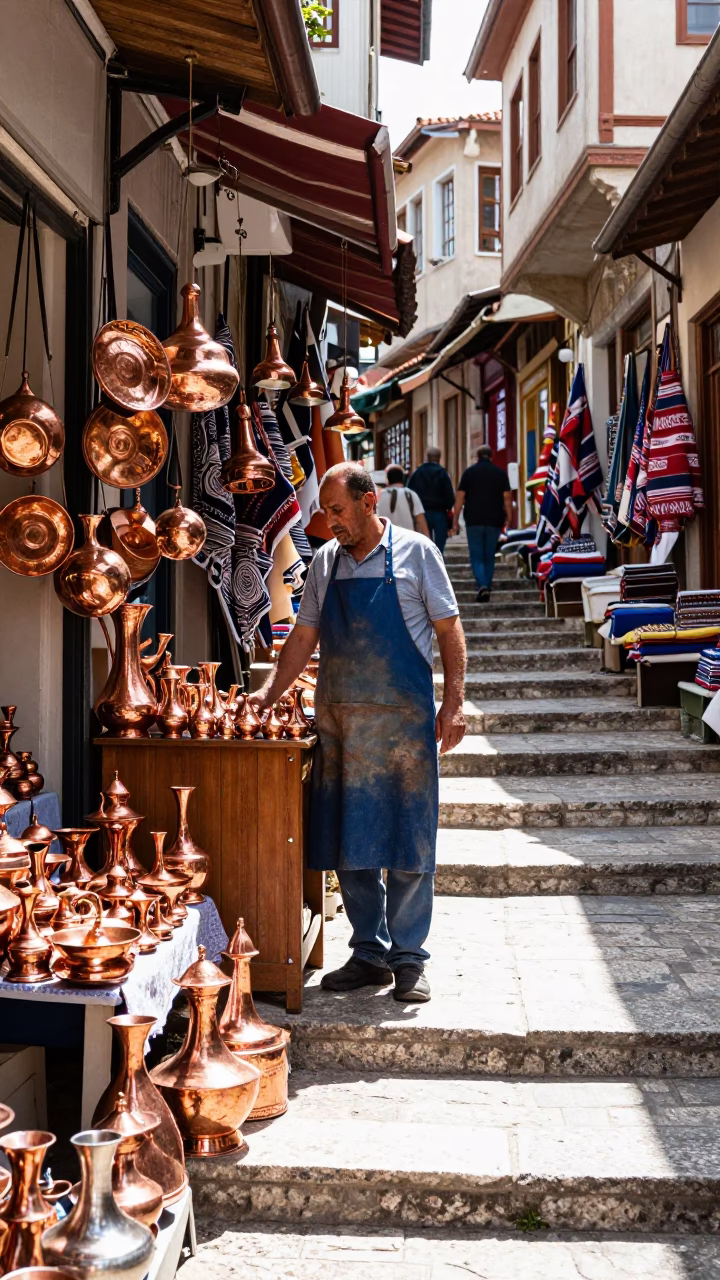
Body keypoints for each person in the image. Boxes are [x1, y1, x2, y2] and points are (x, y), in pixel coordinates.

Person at [251, 462, 467, 1004]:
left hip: (402, 730)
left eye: (338, 511)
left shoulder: (419, 553)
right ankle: (369, 954)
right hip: (342, 729)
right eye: (325, 512)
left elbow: (449, 629)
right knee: (351, 845)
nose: (330, 522)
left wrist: (455, 703)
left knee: (409, 844)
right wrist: (267, 697)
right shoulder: (325, 562)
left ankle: (409, 958)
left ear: (369, 504)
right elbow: (303, 636)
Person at [453, 444, 513, 602]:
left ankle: (482, 584)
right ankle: (486, 583)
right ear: (491, 457)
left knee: (476, 555)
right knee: (489, 555)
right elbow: (507, 498)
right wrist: (509, 518)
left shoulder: (469, 473)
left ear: (477, 457)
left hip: (474, 520)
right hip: (494, 519)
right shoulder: (500, 474)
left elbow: (459, 497)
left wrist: (455, 519)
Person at [408, 447, 456, 554]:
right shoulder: (443, 473)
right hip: (440, 512)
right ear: (439, 458)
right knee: (440, 543)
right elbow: (450, 495)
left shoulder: (418, 473)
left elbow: (410, 491)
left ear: (427, 457)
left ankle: (427, 563)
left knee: (425, 541)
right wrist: (448, 506)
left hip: (422, 512)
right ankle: (438, 560)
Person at [377, 464, 430, 537]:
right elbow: (420, 519)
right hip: (409, 540)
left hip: (386, 540)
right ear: (403, 478)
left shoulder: (379, 496)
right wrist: (428, 540)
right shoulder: (410, 494)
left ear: (388, 480)